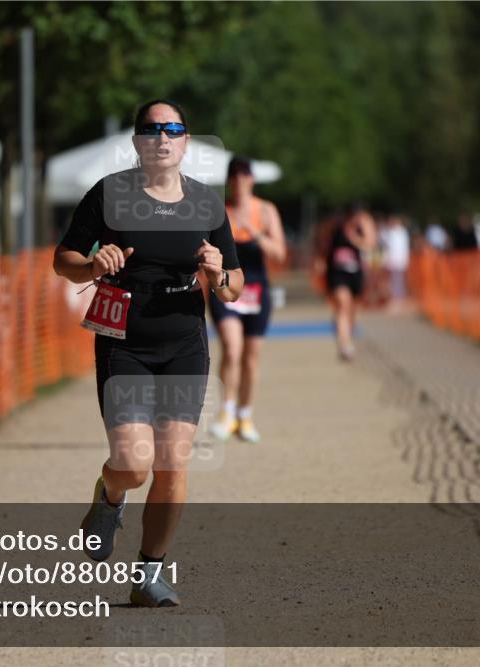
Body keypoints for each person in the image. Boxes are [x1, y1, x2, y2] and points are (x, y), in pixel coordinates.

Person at [52, 99, 243, 607]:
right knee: (135, 466)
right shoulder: (109, 195)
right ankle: (110, 495)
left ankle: (149, 575)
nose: (163, 137)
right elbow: (63, 260)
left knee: (173, 464)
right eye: (152, 129)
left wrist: (218, 272)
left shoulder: (206, 202)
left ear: (185, 141)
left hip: (184, 343)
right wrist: (94, 265)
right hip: (124, 342)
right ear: (137, 140)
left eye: (174, 129)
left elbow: (234, 288)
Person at [208, 156, 286, 443]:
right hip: (226, 288)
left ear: (251, 180)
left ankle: (245, 415)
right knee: (231, 347)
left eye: (245, 176)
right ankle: (226, 412)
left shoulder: (266, 211)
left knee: (251, 357)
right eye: (235, 177)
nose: (240, 182)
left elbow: (279, 253)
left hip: (256, 290)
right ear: (229, 182)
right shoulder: (220, 212)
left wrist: (255, 234)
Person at [324, 203, 376, 361]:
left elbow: (369, 245)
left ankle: (347, 337)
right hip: (337, 273)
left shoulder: (361, 227)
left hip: (356, 273)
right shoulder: (336, 226)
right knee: (342, 304)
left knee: (351, 309)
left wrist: (354, 237)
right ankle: (344, 344)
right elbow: (325, 245)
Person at [379, 213, 411, 311]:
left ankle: (397, 299)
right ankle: (394, 298)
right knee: (393, 281)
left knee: (397, 281)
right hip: (392, 260)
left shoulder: (400, 232)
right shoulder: (390, 232)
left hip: (398, 260)